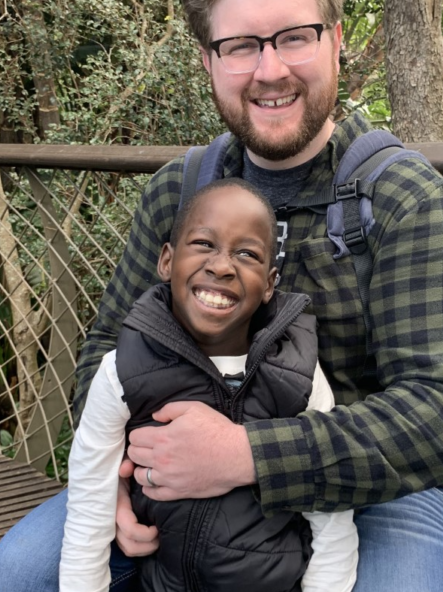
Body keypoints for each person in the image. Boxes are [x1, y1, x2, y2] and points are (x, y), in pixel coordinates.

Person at [0, 0, 443, 592]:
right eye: (242, 46)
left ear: (336, 41)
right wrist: (111, 472)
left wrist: (245, 455)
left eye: (294, 37)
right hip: (178, 467)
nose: (271, 69)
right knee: (25, 569)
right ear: (208, 61)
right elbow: (105, 350)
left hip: (370, 489)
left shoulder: (403, 198)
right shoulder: (180, 190)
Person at [60, 179, 358, 592]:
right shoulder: (123, 369)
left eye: (247, 253)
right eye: (203, 244)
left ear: (270, 284)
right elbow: (90, 499)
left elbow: (330, 509)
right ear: (167, 260)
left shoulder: (300, 374)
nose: (221, 266)